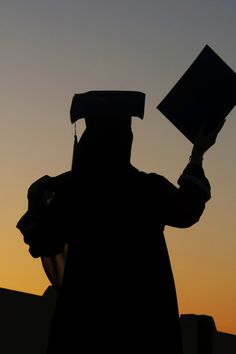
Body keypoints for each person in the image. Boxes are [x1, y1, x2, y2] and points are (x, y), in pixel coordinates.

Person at [16, 91, 224, 353]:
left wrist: (37, 197)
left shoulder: (68, 191)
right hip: (141, 327)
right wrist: (197, 153)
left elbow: (41, 242)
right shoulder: (145, 188)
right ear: (125, 140)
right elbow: (187, 209)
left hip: (83, 326)